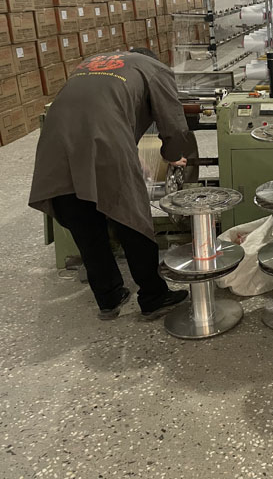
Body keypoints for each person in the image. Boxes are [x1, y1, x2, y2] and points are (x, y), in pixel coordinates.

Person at [29, 48, 192, 320]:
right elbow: (174, 124)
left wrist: (128, 152)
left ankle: (108, 297)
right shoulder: (155, 68)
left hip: (54, 144)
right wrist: (172, 155)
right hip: (105, 141)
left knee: (83, 221)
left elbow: (99, 110)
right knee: (129, 214)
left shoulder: (92, 62)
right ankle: (154, 297)